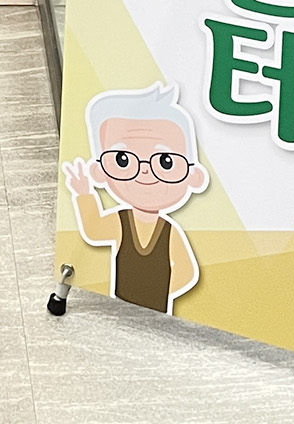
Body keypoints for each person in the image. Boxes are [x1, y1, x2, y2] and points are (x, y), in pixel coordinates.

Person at [62, 83, 208, 313]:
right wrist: (84, 193)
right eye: (123, 160)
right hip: (120, 306)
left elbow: (187, 272)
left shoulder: (169, 232)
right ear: (100, 171)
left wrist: (159, 294)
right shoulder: (122, 221)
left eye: (165, 162)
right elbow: (93, 230)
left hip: (156, 312)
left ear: (193, 176)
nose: (145, 171)